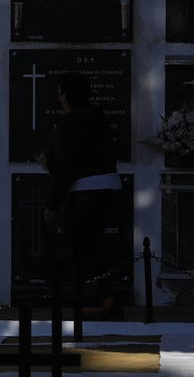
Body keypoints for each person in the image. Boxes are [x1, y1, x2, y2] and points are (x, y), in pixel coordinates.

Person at [43, 72, 123, 318]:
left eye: (60, 91)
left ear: (64, 95)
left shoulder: (70, 123)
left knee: (82, 250)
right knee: (100, 249)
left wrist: (53, 204)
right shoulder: (98, 118)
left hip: (84, 194)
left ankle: (92, 303)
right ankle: (106, 299)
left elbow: (67, 165)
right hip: (107, 189)